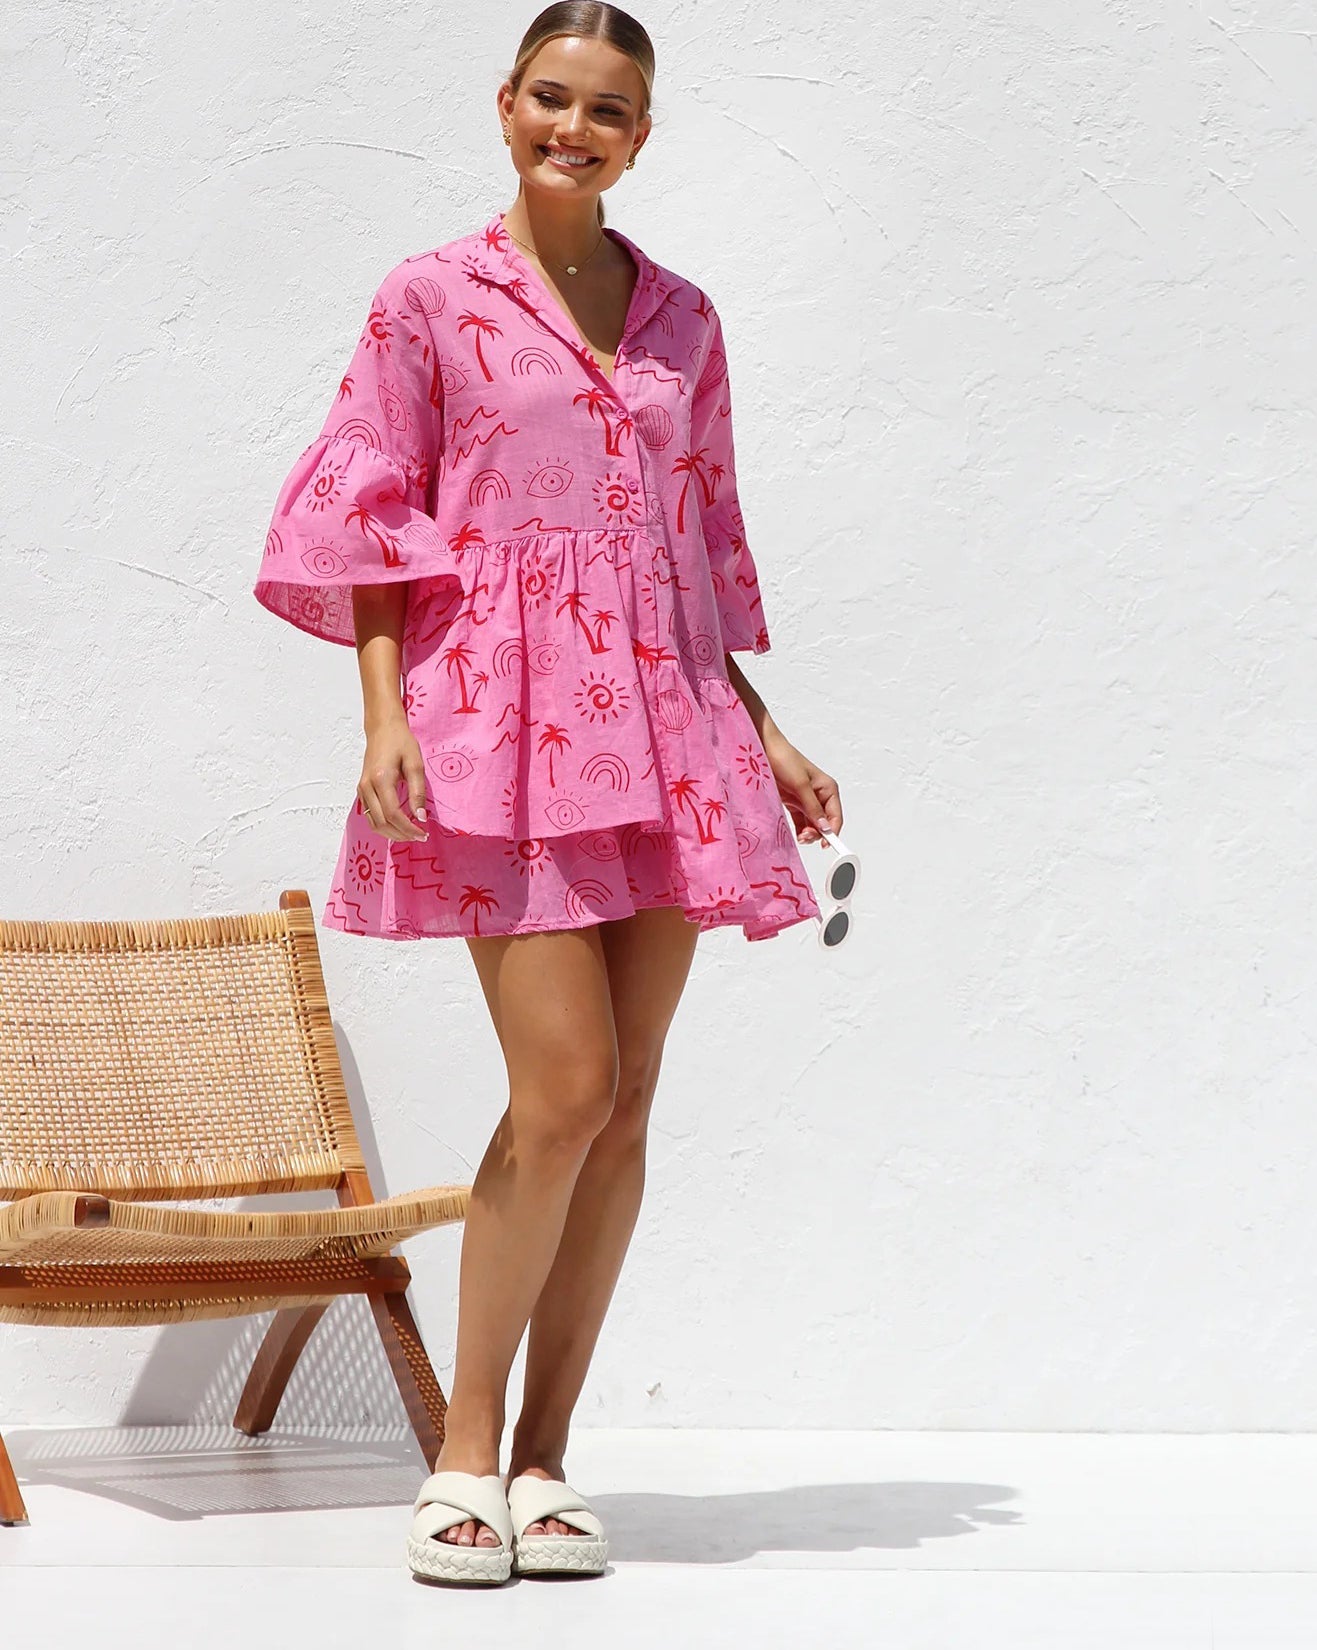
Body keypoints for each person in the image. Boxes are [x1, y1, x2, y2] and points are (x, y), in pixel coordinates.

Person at [253, 1, 843, 1585]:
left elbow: (689, 553)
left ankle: (545, 1454)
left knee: (628, 1100)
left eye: (607, 110)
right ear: (507, 103)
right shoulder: (431, 297)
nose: (573, 128)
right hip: (497, 722)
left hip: (670, 723)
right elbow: (370, 511)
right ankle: (460, 1448)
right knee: (565, 1085)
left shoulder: (686, 321)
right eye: (552, 97)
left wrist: (768, 732)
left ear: (642, 137)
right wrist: (381, 711)